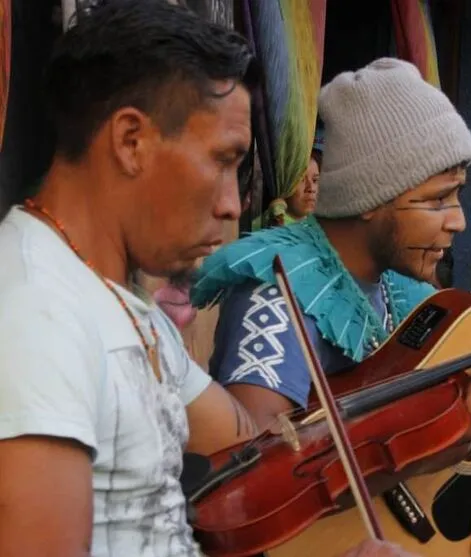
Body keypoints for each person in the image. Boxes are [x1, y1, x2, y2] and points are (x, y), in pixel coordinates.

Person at [0, 3, 442, 556]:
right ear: (131, 141)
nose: (234, 204)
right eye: (223, 160)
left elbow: (252, 440)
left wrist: (464, 421)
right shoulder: (37, 312)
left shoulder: (114, 301)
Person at [192, 58, 471, 556]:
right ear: (372, 197)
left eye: (457, 195)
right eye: (437, 200)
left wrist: (452, 510)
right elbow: (255, 494)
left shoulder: (404, 294)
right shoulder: (279, 293)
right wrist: (433, 452)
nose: (458, 221)